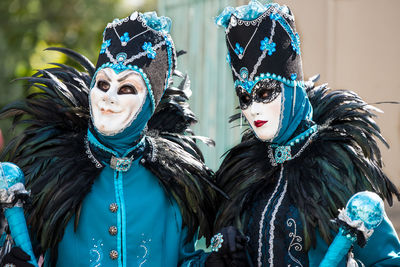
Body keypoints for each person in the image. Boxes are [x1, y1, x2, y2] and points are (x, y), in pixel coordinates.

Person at [0, 11, 219, 266]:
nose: (109, 97)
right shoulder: (52, 171)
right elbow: (23, 248)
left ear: (150, 103)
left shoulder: (174, 182)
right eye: (103, 84)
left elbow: (185, 259)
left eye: (126, 88)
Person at [208, 1, 400, 266]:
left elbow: (387, 261)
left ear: (291, 89)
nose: (253, 109)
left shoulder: (336, 166)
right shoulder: (244, 173)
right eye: (245, 97)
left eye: (265, 93)